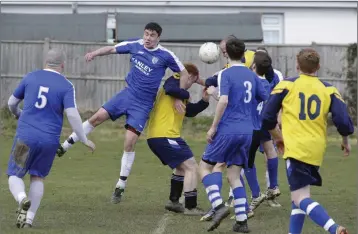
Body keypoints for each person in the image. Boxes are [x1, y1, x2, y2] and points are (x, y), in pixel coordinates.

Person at [56, 22, 190, 204]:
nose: (148, 38)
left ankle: (120, 185)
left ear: (158, 37)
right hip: (126, 95)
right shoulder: (135, 45)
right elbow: (111, 49)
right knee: (96, 118)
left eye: (152, 35)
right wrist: (94, 53)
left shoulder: (166, 55)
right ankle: (64, 146)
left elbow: (184, 74)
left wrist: (178, 96)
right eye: (146, 34)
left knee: (129, 142)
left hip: (143, 105)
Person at [262, 48, 354, 234]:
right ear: (318, 67)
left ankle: (334, 228)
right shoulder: (329, 89)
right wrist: (345, 139)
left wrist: (278, 138)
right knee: (301, 195)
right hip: (316, 149)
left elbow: (267, 117)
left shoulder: (287, 85)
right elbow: (343, 121)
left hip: (296, 148)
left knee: (300, 197)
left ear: (297, 65)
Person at [6, 48, 95, 229]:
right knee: (37, 177)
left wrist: (18, 114)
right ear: (62, 65)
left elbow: (11, 103)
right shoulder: (66, 85)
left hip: (26, 136)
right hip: (49, 141)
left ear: (45, 62)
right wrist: (83, 138)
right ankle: (29, 220)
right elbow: (72, 115)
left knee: (15, 174)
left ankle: (22, 199)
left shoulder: (31, 77)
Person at [199, 38, 269, 233]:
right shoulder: (252, 75)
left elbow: (223, 101)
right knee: (234, 175)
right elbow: (264, 97)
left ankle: (219, 206)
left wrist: (213, 127)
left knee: (204, 167)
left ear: (226, 53)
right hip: (248, 132)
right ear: (244, 53)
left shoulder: (226, 74)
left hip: (229, 128)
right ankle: (241, 221)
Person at [146, 63, 211, 216]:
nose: (191, 85)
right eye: (193, 81)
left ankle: (174, 202)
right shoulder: (175, 80)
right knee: (191, 167)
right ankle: (190, 206)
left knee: (182, 168)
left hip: (161, 136)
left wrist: (205, 101)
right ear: (190, 76)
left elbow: (190, 112)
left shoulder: (179, 92)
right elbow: (169, 88)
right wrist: (184, 95)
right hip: (165, 135)